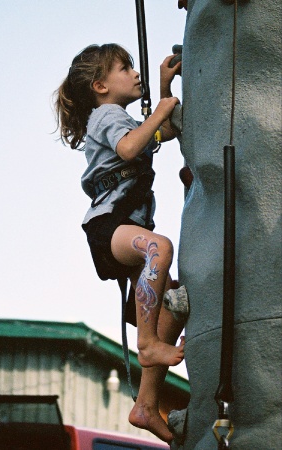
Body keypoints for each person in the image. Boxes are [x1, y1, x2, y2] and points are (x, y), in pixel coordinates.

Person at [54, 43, 189, 443]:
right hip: (107, 226)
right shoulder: (106, 116)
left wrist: (165, 92)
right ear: (100, 85)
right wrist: (161, 109)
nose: (134, 73)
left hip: (126, 225)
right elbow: (132, 147)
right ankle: (147, 342)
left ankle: (146, 405)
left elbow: (163, 132)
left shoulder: (122, 118)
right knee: (159, 248)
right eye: (125, 67)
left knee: (176, 303)